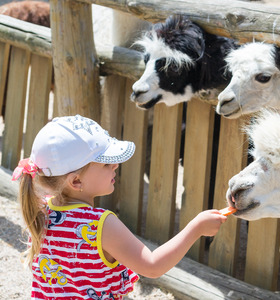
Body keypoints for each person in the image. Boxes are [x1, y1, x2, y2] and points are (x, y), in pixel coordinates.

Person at [12, 114, 227, 299]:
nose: (115, 165)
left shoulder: (41, 212)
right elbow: (151, 266)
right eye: (106, 163)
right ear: (76, 181)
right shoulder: (100, 224)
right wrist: (196, 228)